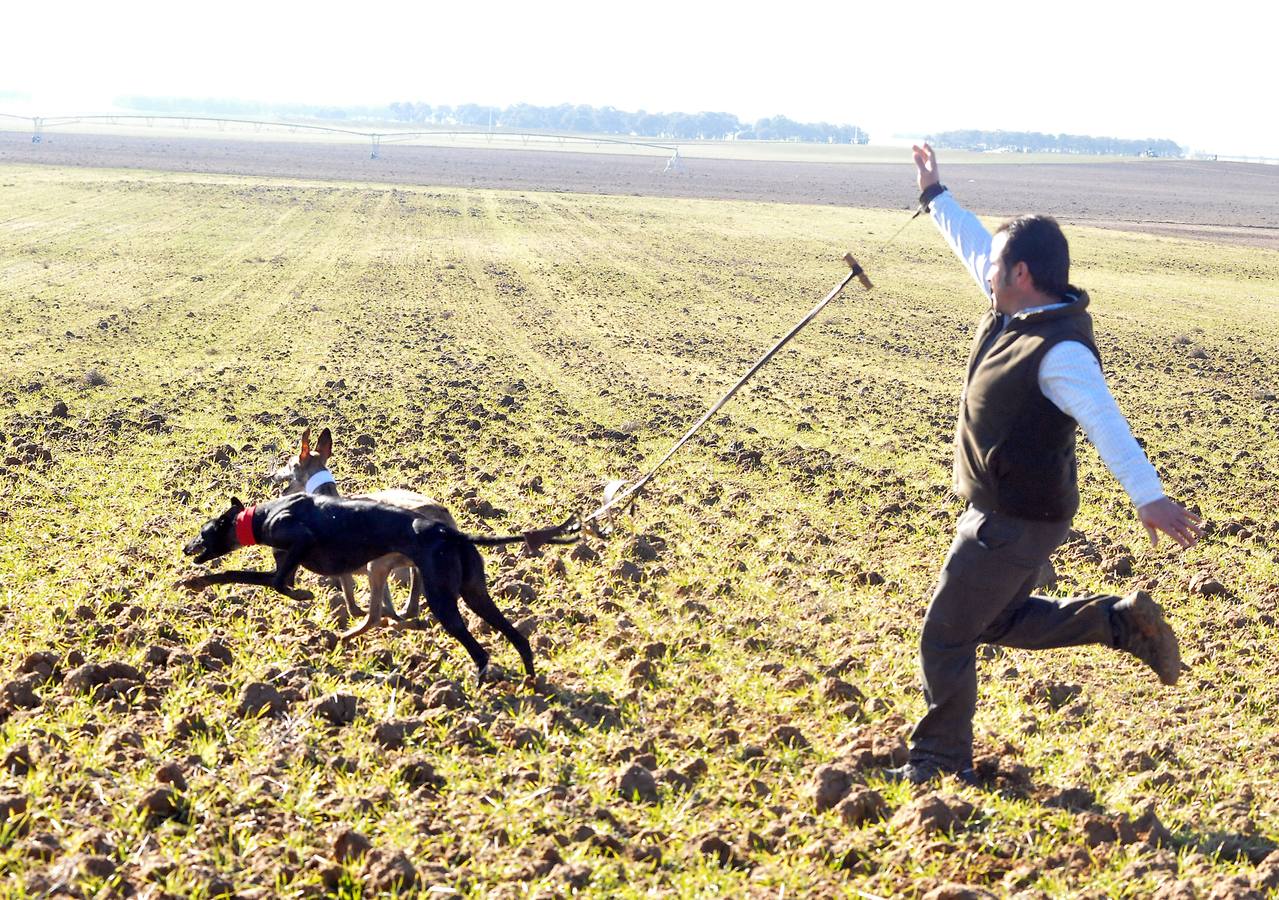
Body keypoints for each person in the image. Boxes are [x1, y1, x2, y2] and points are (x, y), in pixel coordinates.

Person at [890, 144, 1203, 785]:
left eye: (1000, 269)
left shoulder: (1060, 351)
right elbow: (977, 248)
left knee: (945, 635)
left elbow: (1106, 424)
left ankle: (938, 764)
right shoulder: (1019, 307)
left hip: (1014, 518)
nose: (989, 274)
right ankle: (1116, 619)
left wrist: (1149, 496)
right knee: (998, 619)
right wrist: (935, 194)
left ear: (1024, 275)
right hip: (1008, 509)